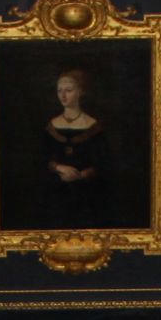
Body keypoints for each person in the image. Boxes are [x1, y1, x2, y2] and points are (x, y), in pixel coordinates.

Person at [33, 66, 114, 228]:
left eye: (68, 90)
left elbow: (104, 164)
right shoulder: (51, 125)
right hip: (55, 192)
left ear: (80, 92)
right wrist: (59, 167)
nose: (62, 95)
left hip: (88, 193)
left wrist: (80, 175)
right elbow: (41, 158)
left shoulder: (94, 126)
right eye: (59, 91)